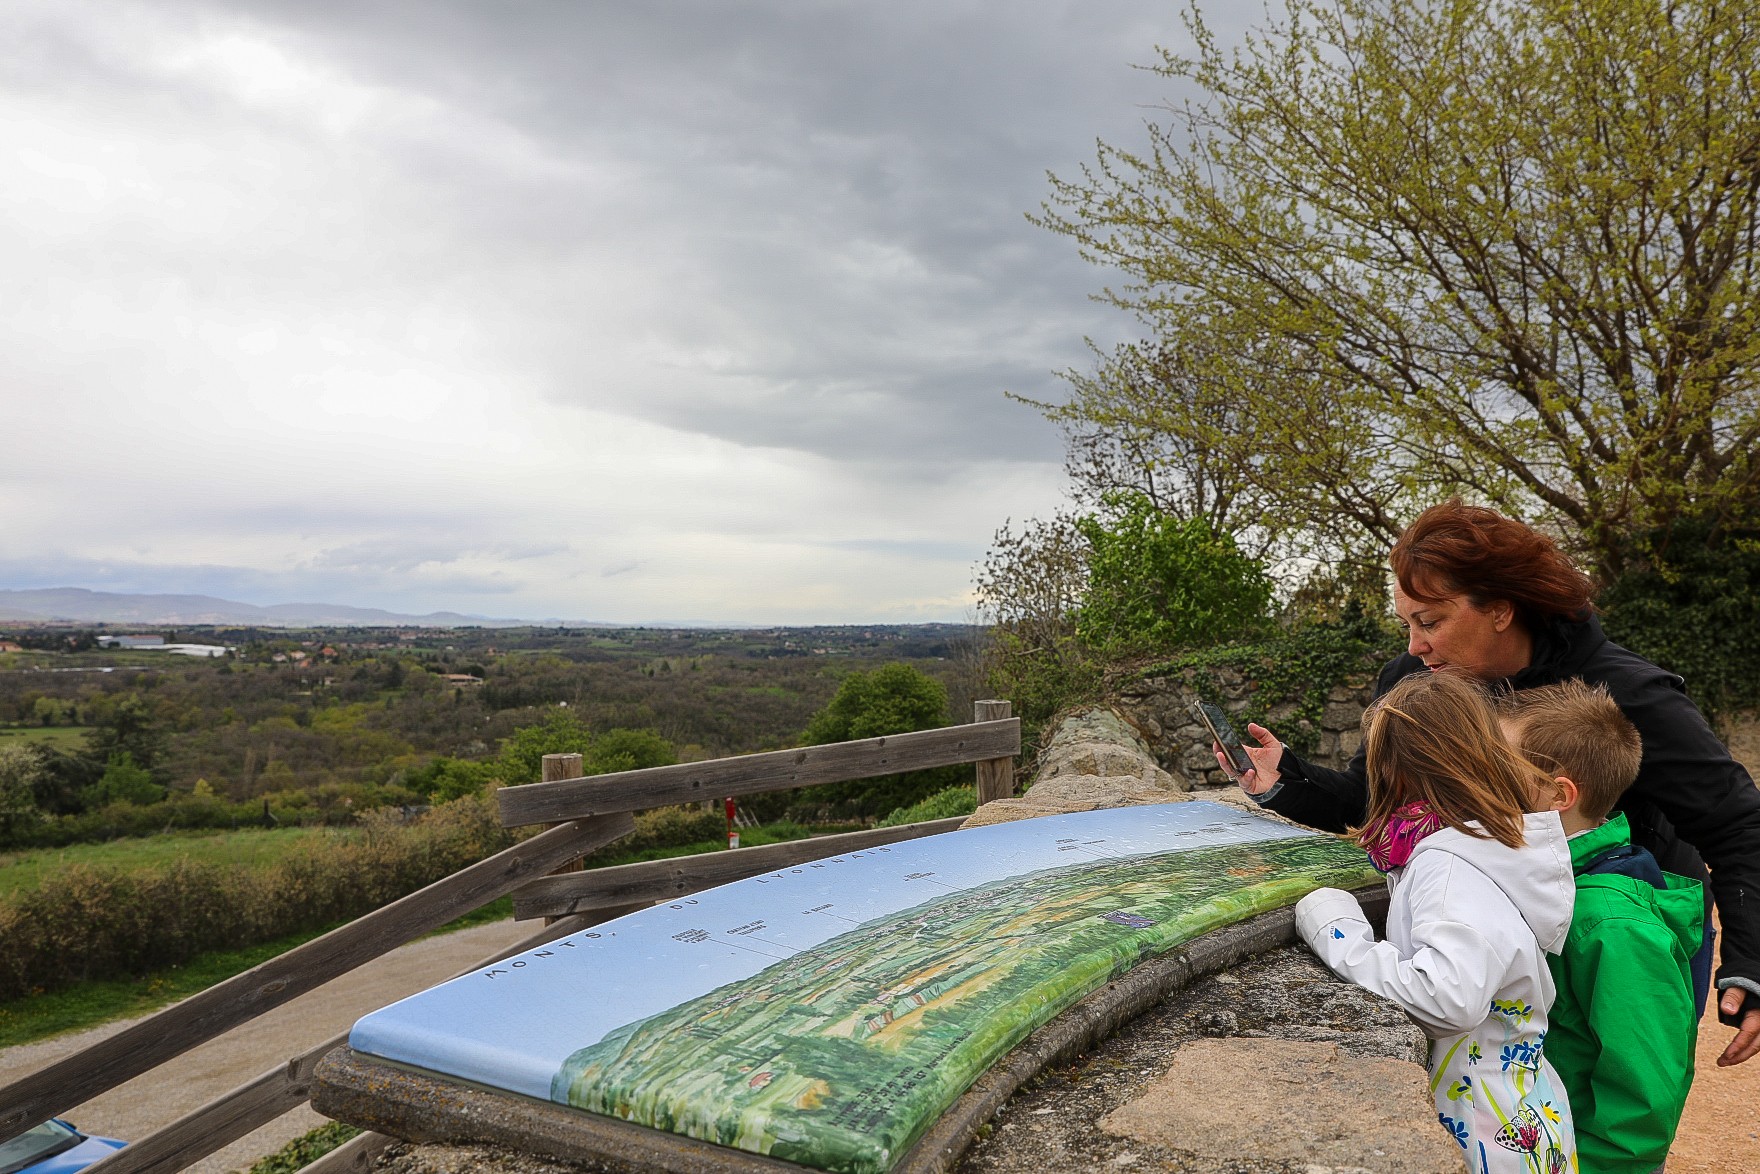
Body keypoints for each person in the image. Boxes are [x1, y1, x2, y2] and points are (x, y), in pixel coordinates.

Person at [1228, 499, 1760, 1066]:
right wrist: (1286, 778)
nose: (1414, 646)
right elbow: (1371, 800)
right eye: (1406, 623)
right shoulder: (1415, 680)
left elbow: (1738, 824)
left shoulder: (1630, 695)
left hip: (1622, 936)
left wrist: (1751, 964)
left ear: (1501, 611)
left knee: (1621, 1108)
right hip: (1493, 942)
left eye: (1430, 622)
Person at [1296, 671, 1577, 1173]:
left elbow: (1449, 1000)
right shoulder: (1497, 845)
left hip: (1481, 1127)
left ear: (1393, 770)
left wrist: (1334, 929)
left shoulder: (1447, 866)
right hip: (1528, 1111)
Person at [1503, 681, 1702, 1174]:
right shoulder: (1553, 884)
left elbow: (1643, 1101)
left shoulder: (1611, 925)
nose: (1476, 782)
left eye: (1497, 771)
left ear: (1558, 795)